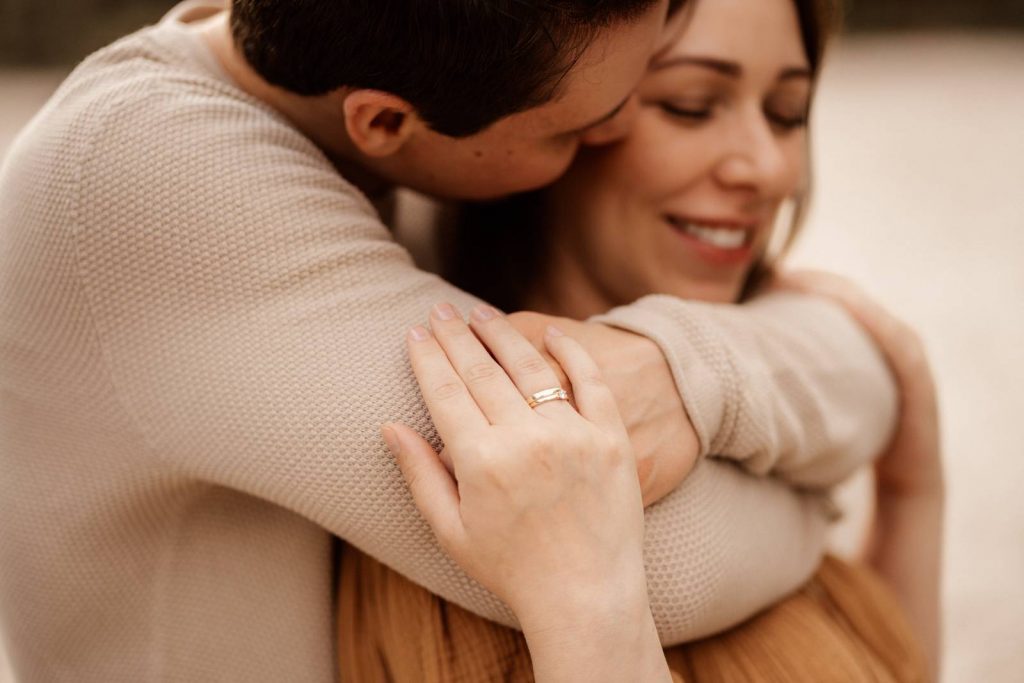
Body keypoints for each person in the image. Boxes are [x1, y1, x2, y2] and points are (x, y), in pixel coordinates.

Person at [0, 0, 904, 679]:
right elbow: (622, 560)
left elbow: (851, 359)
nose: (616, 128)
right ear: (387, 123)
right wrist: (820, 477)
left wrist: (691, 367)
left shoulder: (382, 84)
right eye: (581, 124)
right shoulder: (158, 180)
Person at [338, 0, 943, 679]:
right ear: (552, 114)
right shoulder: (464, 477)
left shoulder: (784, 420)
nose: (768, 169)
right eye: (690, 104)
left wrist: (911, 486)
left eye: (788, 112)